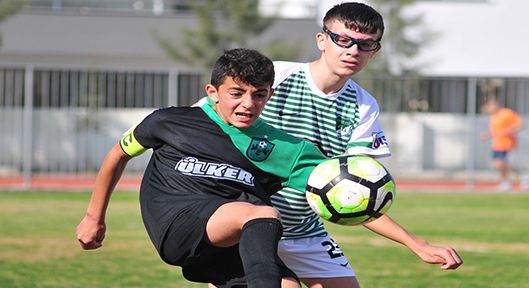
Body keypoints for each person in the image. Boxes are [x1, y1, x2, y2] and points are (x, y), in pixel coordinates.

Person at [76, 48, 328, 288]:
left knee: (287, 284)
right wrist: (93, 218)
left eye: (258, 94)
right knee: (263, 214)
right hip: (176, 222)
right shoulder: (169, 121)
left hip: (229, 241)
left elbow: (341, 187)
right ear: (213, 92)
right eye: (237, 93)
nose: (248, 104)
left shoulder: (285, 147)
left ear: (269, 95)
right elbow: (118, 154)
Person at [259, 3, 463, 287]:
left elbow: (357, 190)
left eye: (365, 45)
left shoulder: (363, 105)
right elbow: (206, 120)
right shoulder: (276, 77)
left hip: (304, 230)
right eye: (343, 40)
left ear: (375, 51)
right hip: (249, 224)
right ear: (321, 40)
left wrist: (416, 244)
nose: (353, 51)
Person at [481, 97, 527, 191]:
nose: (490, 108)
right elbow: (497, 132)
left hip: (509, 144)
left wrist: (510, 131)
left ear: (497, 105)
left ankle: (522, 176)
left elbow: (520, 125)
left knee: (505, 164)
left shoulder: (507, 113)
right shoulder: (493, 117)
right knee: (498, 164)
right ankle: (506, 183)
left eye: (491, 105)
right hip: (497, 145)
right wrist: (488, 135)